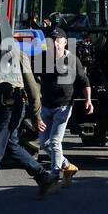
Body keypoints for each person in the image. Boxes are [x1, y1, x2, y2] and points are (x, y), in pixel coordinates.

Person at [0, 37, 56, 208]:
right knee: (12, 148)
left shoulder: (17, 56)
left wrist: (36, 116)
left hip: (10, 110)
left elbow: (32, 89)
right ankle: (44, 177)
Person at [37, 27, 92, 183]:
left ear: (65, 42)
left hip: (64, 106)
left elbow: (84, 81)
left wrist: (88, 100)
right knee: (44, 143)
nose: (55, 44)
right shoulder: (42, 58)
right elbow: (32, 76)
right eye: (51, 41)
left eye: (58, 41)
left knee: (54, 141)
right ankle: (67, 166)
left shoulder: (73, 60)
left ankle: (54, 176)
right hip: (45, 107)